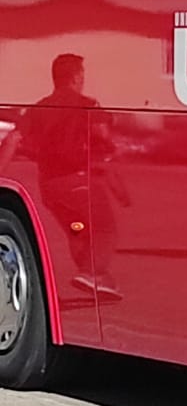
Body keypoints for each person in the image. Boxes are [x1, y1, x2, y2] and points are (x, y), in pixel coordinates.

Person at [0, 53, 127, 298]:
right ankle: (91, 272)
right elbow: (102, 135)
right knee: (104, 227)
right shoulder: (87, 105)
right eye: (82, 74)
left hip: (49, 186)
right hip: (77, 179)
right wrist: (113, 150)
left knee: (77, 229)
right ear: (76, 77)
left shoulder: (39, 108)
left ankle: (96, 278)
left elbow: (14, 139)